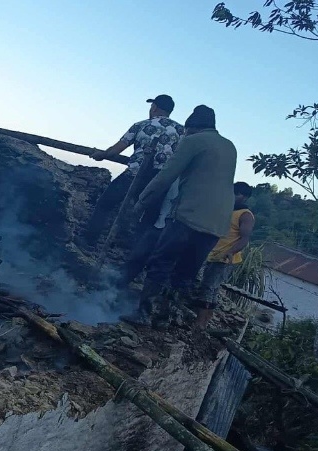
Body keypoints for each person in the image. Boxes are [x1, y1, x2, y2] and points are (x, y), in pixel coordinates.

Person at [120, 105, 237, 326]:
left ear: (191, 127)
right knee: (185, 273)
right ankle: (164, 318)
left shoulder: (193, 140)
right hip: (217, 223)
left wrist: (141, 202)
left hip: (189, 215)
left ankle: (143, 314)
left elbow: (166, 175)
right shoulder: (229, 146)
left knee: (161, 262)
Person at [85, 94, 185, 246]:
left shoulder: (141, 125)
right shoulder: (181, 131)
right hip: (160, 180)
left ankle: (89, 240)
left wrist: (102, 155)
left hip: (134, 174)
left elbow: (116, 149)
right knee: (149, 218)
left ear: (154, 107)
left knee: (106, 203)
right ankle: (136, 252)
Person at [189, 182, 255, 329]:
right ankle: (205, 320)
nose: (233, 196)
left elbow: (244, 239)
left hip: (225, 258)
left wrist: (230, 252)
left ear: (245, 197)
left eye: (237, 194)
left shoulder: (245, 215)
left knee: (208, 287)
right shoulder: (227, 209)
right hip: (213, 254)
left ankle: (200, 322)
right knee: (210, 288)